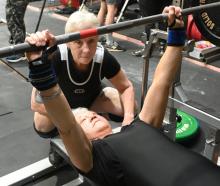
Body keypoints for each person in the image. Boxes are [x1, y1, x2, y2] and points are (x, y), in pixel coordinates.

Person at [26, 6, 220, 186]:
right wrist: (40, 66)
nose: (90, 115)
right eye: (82, 120)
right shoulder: (94, 160)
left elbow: (162, 82)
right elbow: (67, 126)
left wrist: (177, 33)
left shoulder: (142, 124)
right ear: (82, 140)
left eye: (88, 114)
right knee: (54, 119)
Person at [27, 10, 136, 139]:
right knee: (42, 126)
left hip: (91, 100)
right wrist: (75, 116)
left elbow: (126, 87)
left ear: (97, 39)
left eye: (91, 41)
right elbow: (36, 104)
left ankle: (92, 119)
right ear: (68, 42)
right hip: (61, 105)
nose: (86, 50)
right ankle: (65, 132)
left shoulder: (102, 56)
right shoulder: (56, 56)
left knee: (131, 107)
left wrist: (128, 120)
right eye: (78, 42)